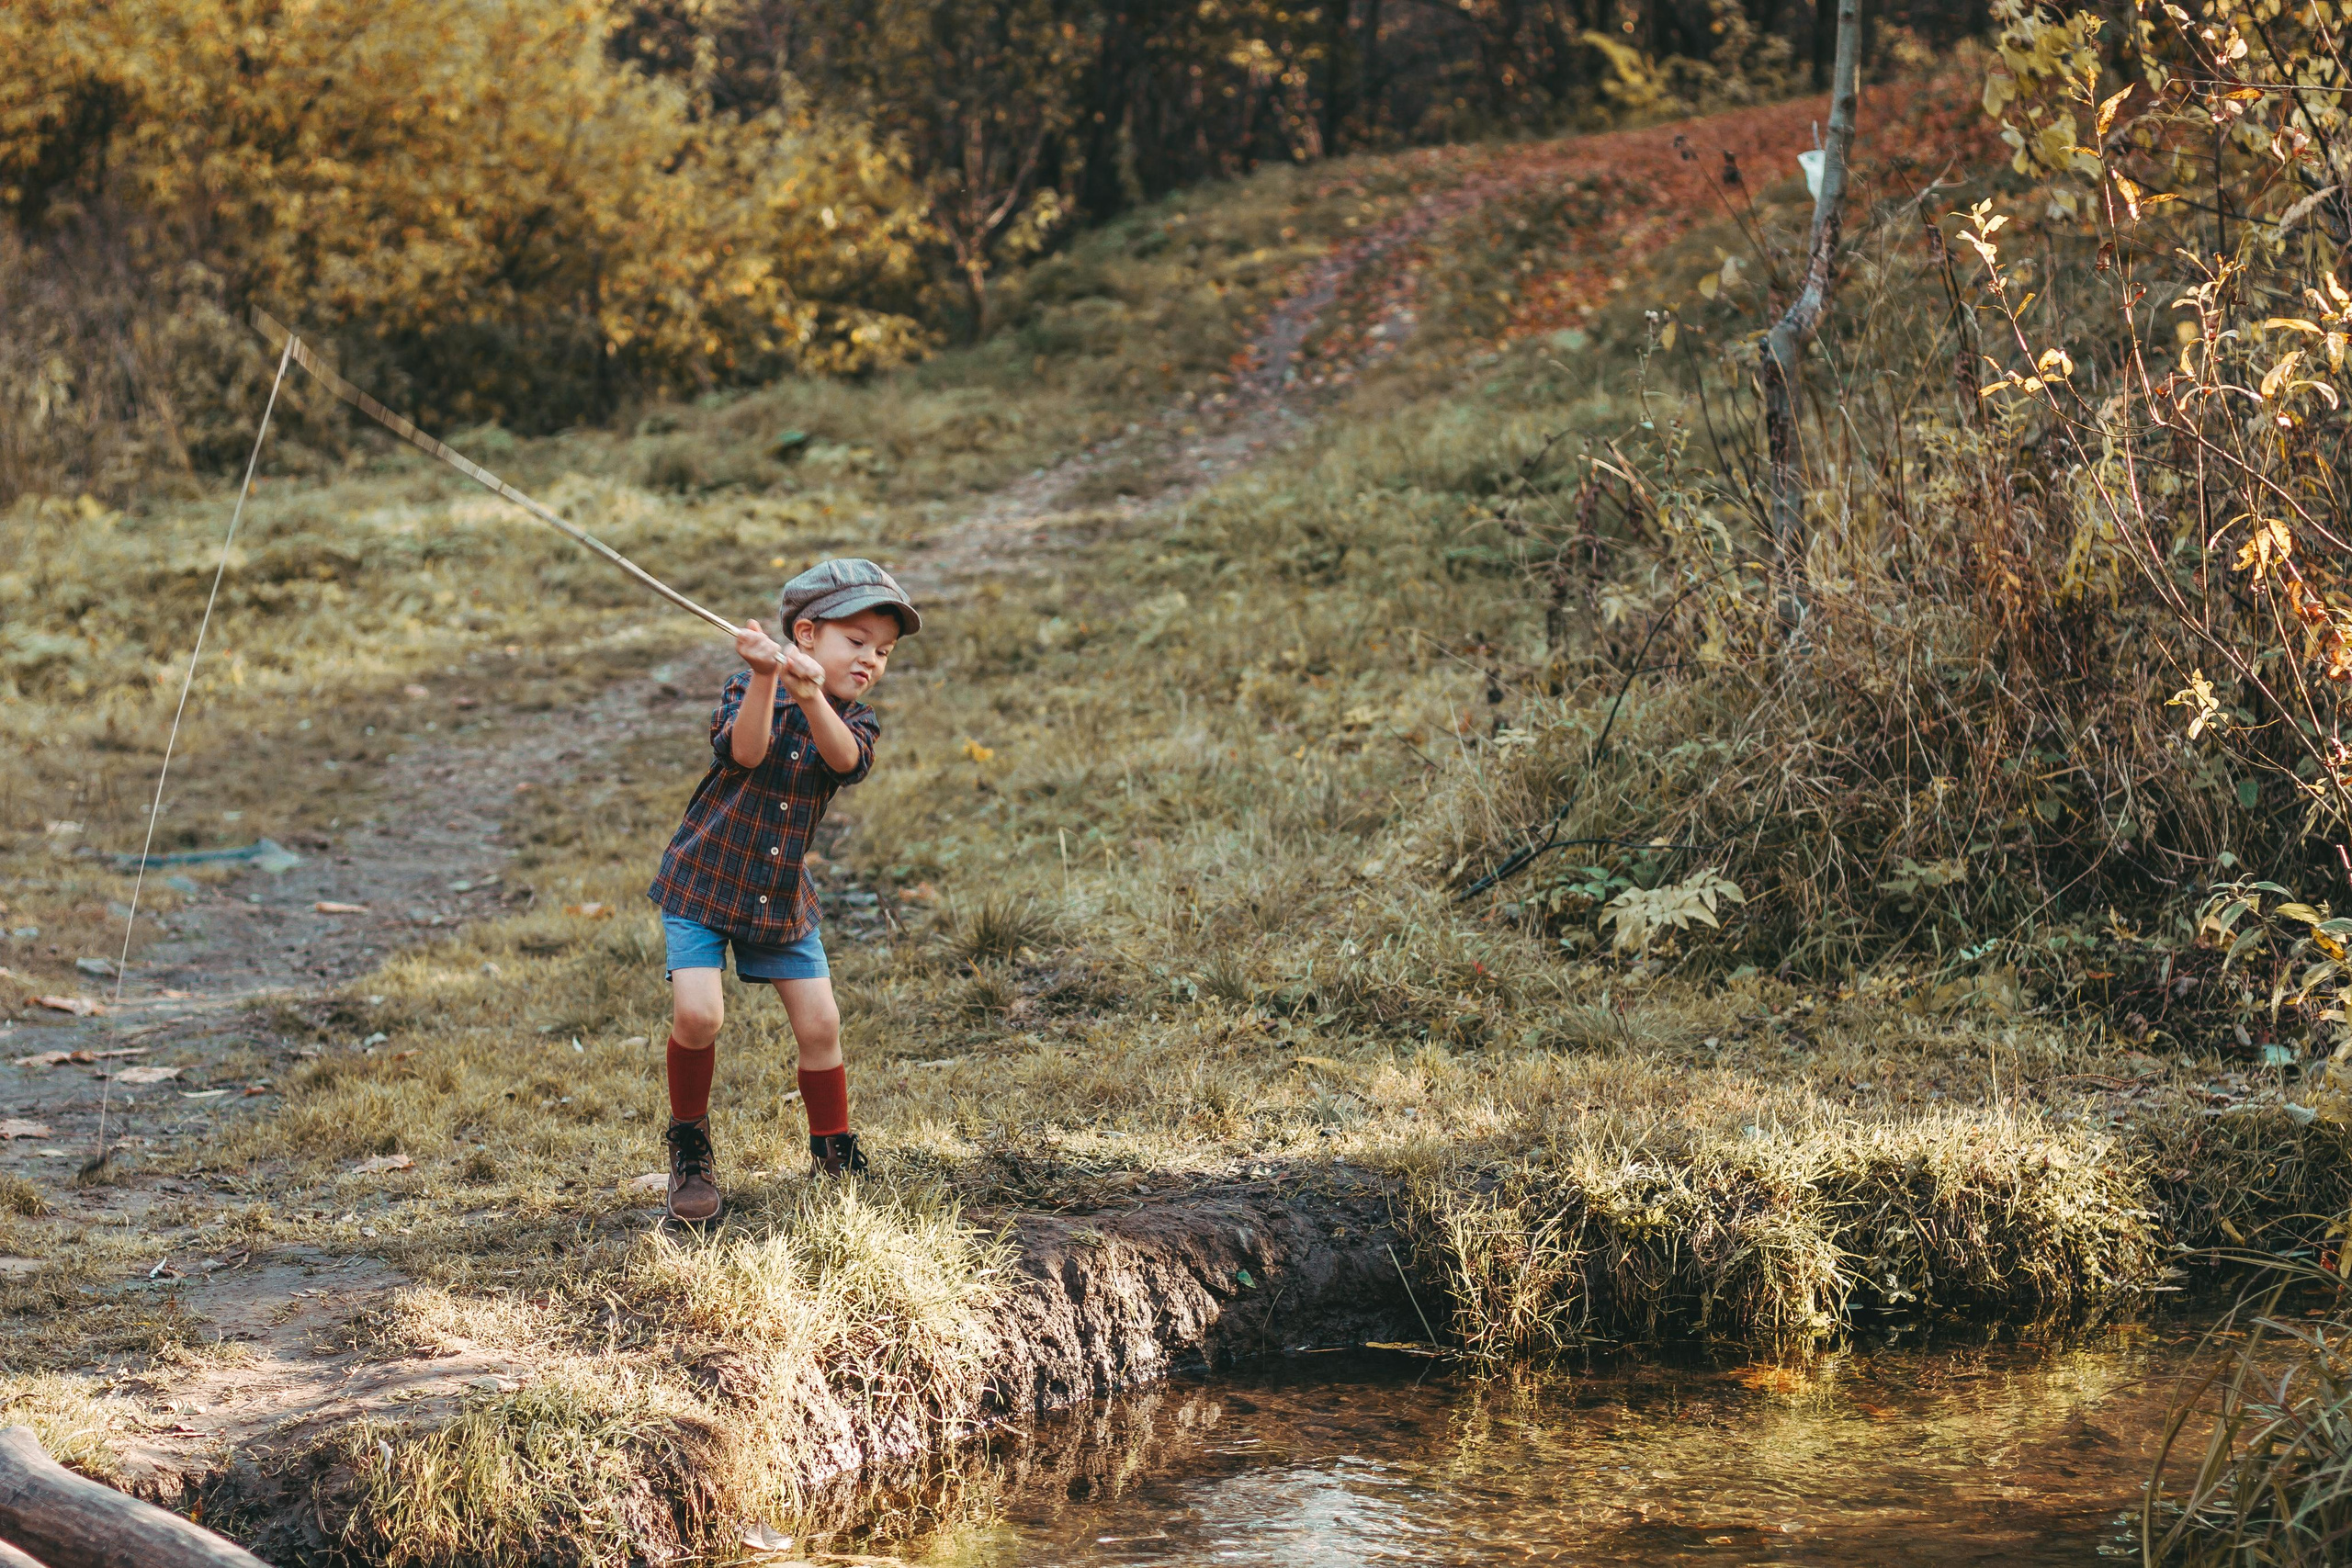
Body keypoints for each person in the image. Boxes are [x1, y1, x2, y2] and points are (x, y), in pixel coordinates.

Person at [646, 558, 918, 1222]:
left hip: (779, 892)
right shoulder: (749, 686)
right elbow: (745, 752)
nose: (870, 659)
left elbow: (844, 761)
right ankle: (690, 1148)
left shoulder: (855, 720)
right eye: (856, 641)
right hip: (705, 880)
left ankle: (833, 1148)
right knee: (699, 1017)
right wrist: (769, 677)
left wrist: (811, 695)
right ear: (806, 634)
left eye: (883, 651)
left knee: (822, 1024)